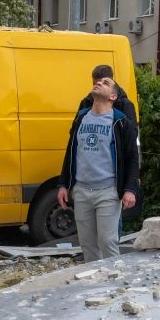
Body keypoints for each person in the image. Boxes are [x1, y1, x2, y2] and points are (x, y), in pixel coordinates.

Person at [57, 75, 140, 262]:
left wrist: (130, 189)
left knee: (107, 241)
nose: (99, 83)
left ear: (112, 96)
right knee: (87, 243)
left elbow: (132, 157)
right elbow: (71, 151)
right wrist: (63, 184)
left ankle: (114, 283)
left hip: (108, 191)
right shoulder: (81, 117)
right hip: (82, 191)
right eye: (98, 81)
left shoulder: (120, 122)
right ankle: (94, 285)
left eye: (106, 83)